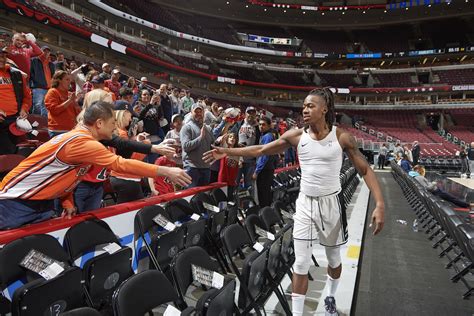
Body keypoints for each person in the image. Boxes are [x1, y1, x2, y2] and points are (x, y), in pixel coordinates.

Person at [204, 88, 385, 316]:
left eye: (311, 105)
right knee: (300, 263)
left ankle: (329, 298)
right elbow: (260, 149)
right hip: (306, 204)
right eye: (304, 106)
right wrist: (227, 151)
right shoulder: (295, 136)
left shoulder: (341, 137)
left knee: (333, 258)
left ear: (325, 109)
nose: (305, 109)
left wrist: (379, 203)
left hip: (331, 204)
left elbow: (365, 169)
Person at [0, 101, 191, 230]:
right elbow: (119, 164)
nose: (114, 129)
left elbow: (65, 173)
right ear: (99, 123)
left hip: (39, 201)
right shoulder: (81, 141)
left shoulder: (84, 140)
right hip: (16, 201)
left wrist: (67, 201)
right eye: (111, 124)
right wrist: (164, 170)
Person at [0, 48, 31, 154]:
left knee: (11, 154)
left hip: (13, 121)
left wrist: (24, 109)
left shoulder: (16, 74)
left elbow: (27, 97)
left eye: (4, 56)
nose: (2, 59)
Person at [181, 102, 215, 188]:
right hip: (192, 168)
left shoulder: (207, 128)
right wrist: (200, 138)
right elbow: (186, 147)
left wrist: (218, 143)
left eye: (200, 111)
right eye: (196, 111)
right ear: (191, 112)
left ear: (203, 113)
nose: (198, 114)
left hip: (206, 168)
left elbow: (212, 145)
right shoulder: (187, 127)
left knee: (203, 198)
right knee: (191, 197)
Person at [44, 71, 82, 137]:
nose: (69, 81)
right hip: (57, 130)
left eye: (70, 79)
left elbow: (78, 113)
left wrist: (76, 103)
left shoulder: (70, 94)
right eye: (67, 79)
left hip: (71, 130)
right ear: (59, 80)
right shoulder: (52, 92)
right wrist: (69, 101)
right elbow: (55, 110)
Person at [253, 117, 277, 207]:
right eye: (260, 124)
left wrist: (256, 171)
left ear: (269, 125)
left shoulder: (268, 136)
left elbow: (264, 155)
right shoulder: (265, 135)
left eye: (263, 124)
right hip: (267, 169)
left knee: (263, 195)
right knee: (265, 194)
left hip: (265, 169)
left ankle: (265, 215)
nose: (261, 126)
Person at [236, 106, 260, 190]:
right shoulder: (239, 123)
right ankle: (235, 202)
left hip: (251, 160)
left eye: (253, 113)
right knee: (236, 182)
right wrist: (237, 144)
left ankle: (249, 202)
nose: (251, 114)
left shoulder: (258, 127)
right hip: (239, 159)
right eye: (249, 112)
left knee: (249, 185)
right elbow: (231, 136)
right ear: (245, 114)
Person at [29, 45, 55, 117]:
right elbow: (30, 73)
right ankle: (35, 121)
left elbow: (53, 76)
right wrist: (31, 85)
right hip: (38, 87)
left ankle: (43, 124)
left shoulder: (51, 64)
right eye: (44, 51)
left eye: (48, 51)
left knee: (46, 107)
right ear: (40, 51)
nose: (46, 52)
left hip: (48, 88)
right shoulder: (34, 61)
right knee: (37, 105)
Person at [218, 133, 240, 201]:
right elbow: (222, 139)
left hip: (232, 180)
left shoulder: (238, 151)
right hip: (223, 178)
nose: (232, 138)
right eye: (230, 137)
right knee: (222, 199)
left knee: (230, 199)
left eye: (234, 137)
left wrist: (240, 162)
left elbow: (240, 163)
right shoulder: (224, 148)